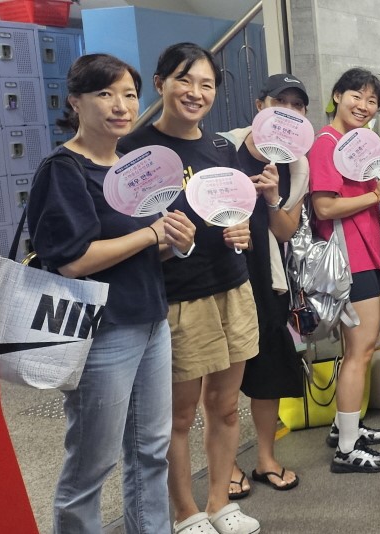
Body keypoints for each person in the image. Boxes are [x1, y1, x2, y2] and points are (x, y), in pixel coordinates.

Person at [29, 53, 195, 534]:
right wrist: (150, 234)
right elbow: (72, 260)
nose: (121, 106)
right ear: (75, 102)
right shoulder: (64, 169)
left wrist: (175, 243)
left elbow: (144, 251)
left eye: (129, 94)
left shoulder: (132, 168)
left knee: (151, 451)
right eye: (105, 94)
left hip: (151, 320)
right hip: (103, 332)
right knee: (92, 463)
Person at [119, 43, 261, 534]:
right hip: (177, 297)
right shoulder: (133, 151)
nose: (195, 92)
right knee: (178, 418)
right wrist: (160, 240)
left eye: (206, 84)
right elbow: (123, 236)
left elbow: (235, 211)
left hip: (232, 288)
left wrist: (242, 230)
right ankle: (185, 512)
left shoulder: (222, 149)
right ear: (160, 84)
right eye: (184, 80)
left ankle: (220, 503)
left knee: (226, 407)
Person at [219, 73, 312, 491]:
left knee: (269, 371)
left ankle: (265, 458)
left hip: (267, 277)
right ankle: (225, 466)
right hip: (224, 274)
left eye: (297, 106)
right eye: (281, 102)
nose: (289, 112)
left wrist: (273, 198)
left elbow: (286, 230)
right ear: (261, 106)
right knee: (220, 376)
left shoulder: (298, 164)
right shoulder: (224, 147)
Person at [308, 68, 380, 471]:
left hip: (368, 254)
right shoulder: (326, 143)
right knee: (360, 352)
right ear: (337, 96)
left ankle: (344, 427)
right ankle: (347, 450)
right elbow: (324, 207)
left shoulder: (356, 145)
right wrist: (376, 195)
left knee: (359, 348)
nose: (363, 106)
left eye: (372, 101)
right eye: (355, 96)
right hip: (349, 260)